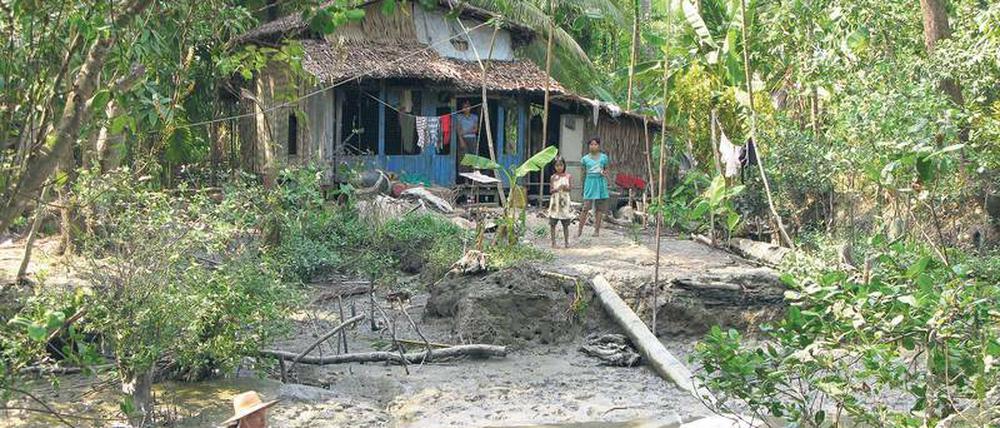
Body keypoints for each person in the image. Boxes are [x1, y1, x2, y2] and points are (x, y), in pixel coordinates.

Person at [577, 137, 610, 238]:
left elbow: (607, 169)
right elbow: (583, 173)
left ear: (599, 146)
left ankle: (596, 231)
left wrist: (604, 173)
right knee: (585, 207)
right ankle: (579, 230)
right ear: (588, 146)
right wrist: (583, 186)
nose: (593, 146)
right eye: (591, 144)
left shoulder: (604, 157)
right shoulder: (585, 159)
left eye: (595, 144)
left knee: (599, 208)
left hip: (600, 183)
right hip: (589, 183)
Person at [547, 157, 574, 248]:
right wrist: (557, 189)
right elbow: (550, 190)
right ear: (554, 167)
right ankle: (553, 243)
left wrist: (566, 188)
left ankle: (566, 242)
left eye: (561, 165)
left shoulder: (568, 176)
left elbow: (570, 189)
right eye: (557, 165)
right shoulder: (553, 177)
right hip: (555, 203)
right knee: (553, 223)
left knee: (565, 224)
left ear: (564, 165)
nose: (559, 167)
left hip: (564, 203)